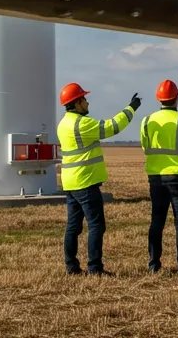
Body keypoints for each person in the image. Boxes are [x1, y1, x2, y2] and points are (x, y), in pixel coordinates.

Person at [57, 82, 140, 276]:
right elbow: (112, 127)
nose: (87, 102)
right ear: (76, 103)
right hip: (85, 181)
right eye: (84, 99)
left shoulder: (63, 124)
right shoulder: (82, 124)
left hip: (70, 182)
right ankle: (94, 268)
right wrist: (131, 108)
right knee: (96, 226)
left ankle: (71, 267)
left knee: (73, 227)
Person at [139, 78, 178, 274]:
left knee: (157, 220)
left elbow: (145, 148)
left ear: (159, 99)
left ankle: (154, 264)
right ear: (176, 97)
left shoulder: (147, 121)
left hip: (156, 177)